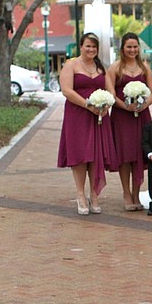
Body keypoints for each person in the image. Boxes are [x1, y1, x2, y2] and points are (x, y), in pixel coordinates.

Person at [56, 32, 115, 215]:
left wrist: (106, 105)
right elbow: (66, 90)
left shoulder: (100, 67)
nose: (91, 49)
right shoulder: (71, 65)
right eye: (88, 46)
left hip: (98, 115)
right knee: (81, 154)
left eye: (94, 47)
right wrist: (87, 105)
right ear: (80, 46)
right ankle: (80, 195)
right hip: (78, 114)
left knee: (96, 154)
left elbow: (109, 90)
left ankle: (94, 195)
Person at [107, 32, 152, 211]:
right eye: (129, 46)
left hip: (141, 116)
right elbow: (111, 93)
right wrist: (125, 107)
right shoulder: (115, 68)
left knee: (139, 153)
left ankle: (137, 193)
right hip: (122, 117)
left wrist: (145, 105)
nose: (132, 50)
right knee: (125, 155)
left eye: (135, 46)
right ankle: (126, 193)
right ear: (122, 48)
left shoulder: (144, 68)